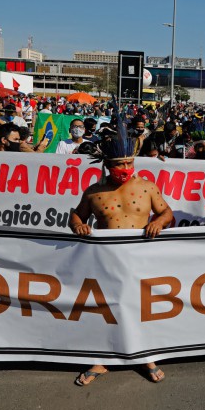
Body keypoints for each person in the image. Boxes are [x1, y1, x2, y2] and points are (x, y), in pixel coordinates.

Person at [70, 105, 174, 386]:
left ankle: (145, 357)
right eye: (120, 164)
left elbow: (168, 213)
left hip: (141, 258)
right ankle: (102, 359)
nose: (126, 169)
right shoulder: (94, 192)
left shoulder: (148, 187)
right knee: (107, 309)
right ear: (108, 165)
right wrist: (78, 225)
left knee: (140, 307)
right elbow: (76, 214)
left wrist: (158, 223)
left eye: (130, 163)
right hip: (106, 259)